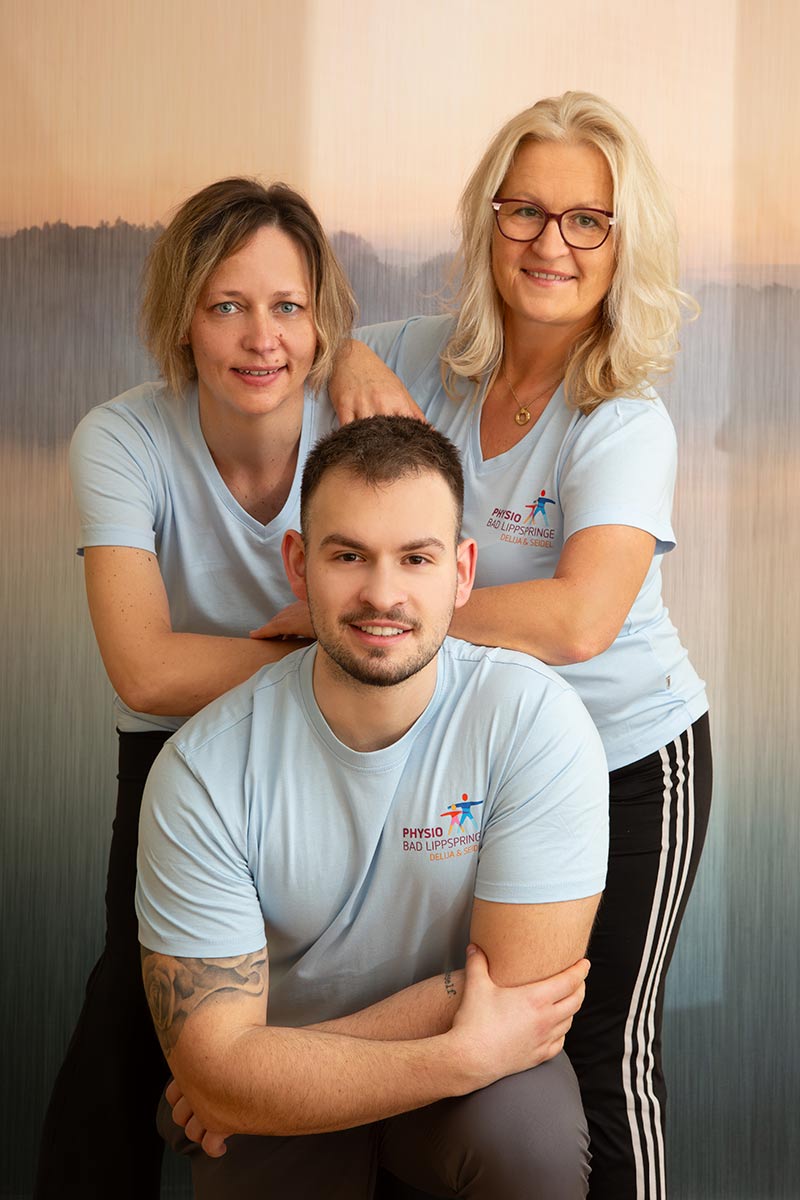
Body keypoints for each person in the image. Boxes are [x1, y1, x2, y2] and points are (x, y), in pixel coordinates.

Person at [261, 91, 713, 1200]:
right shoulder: (431, 360)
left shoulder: (621, 417)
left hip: (626, 764)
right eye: (524, 211)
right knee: (473, 1041)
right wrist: (347, 357)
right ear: (488, 221)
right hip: (483, 764)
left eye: (586, 220)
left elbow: (577, 619)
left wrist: (363, 614)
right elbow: (313, 343)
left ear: (624, 243)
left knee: (597, 1053)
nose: (550, 243)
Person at [137, 415, 609, 1200]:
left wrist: (244, 1069)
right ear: (298, 565)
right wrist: (456, 1055)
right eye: (349, 555)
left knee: (528, 1140)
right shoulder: (204, 768)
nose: (382, 594)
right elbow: (219, 1073)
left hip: (360, 1083)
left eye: (416, 558)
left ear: (462, 572)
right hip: (301, 1101)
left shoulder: (534, 721)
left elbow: (523, 994)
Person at [35, 178, 355, 1200]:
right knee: (129, 1021)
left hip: (342, 743)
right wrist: (328, 652)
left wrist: (360, 357)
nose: (261, 338)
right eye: (226, 305)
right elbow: (146, 669)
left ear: (322, 322)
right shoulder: (120, 439)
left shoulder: (360, 428)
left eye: (287, 306)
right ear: (183, 316)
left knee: (332, 991)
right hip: (178, 749)